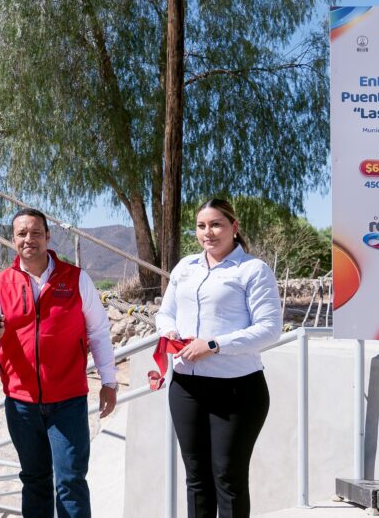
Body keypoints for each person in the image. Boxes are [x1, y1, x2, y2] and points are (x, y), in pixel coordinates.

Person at [0, 208, 118, 518]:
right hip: (21, 403)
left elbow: (98, 332)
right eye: (22, 234)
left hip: (68, 401)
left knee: (70, 481)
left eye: (36, 232)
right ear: (13, 240)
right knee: (34, 481)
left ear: (48, 236)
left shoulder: (76, 279)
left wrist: (109, 381)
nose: (29, 239)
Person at [155, 198, 282, 518]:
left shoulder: (253, 270)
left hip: (237, 390)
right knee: (196, 479)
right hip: (185, 387)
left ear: (234, 228)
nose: (207, 232)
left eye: (216, 224)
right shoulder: (185, 267)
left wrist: (214, 344)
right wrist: (169, 331)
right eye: (201, 226)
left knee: (228, 478)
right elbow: (165, 312)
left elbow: (270, 329)